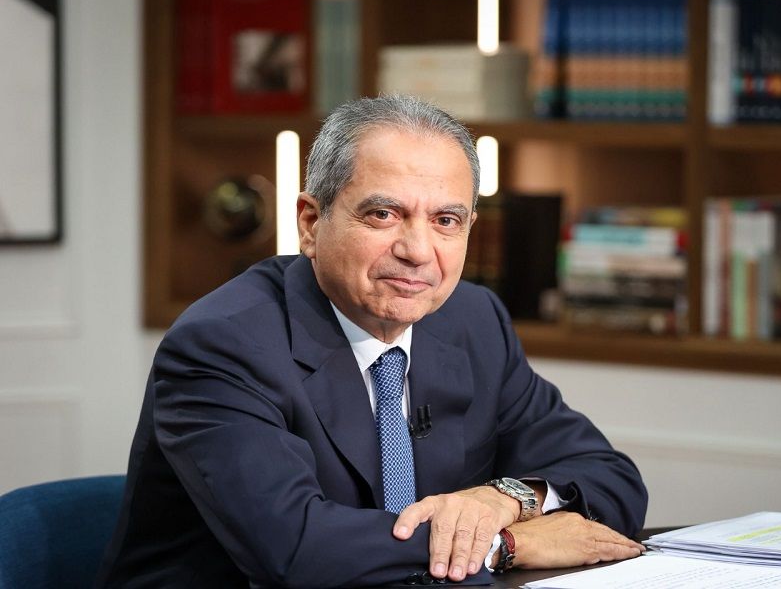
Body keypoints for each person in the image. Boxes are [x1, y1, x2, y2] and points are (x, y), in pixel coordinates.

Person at [97, 95, 648, 587]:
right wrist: (505, 545)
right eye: (383, 214)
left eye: (446, 220)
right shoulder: (223, 344)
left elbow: (612, 479)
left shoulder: (473, 320)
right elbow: (294, 549)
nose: (418, 250)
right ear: (311, 223)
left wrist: (504, 498)